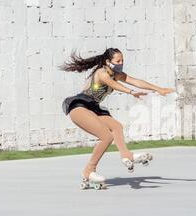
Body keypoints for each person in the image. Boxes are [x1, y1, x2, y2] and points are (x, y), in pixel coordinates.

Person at [59, 48, 174, 188]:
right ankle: (89, 171)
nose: (121, 63)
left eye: (122, 60)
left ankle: (127, 155)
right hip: (79, 107)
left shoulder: (116, 74)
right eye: (118, 61)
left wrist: (158, 89)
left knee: (117, 126)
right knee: (106, 137)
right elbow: (112, 84)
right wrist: (130, 92)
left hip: (93, 108)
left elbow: (136, 81)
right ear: (108, 61)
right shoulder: (101, 73)